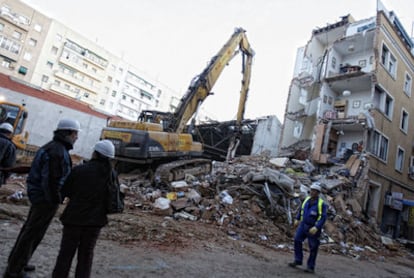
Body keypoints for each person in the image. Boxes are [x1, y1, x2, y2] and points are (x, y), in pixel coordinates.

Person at [4, 118, 81, 278]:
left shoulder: (52, 148)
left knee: (31, 232)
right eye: (75, 134)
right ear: (68, 133)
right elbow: (52, 180)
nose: (76, 137)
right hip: (45, 200)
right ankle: (14, 270)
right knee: (32, 233)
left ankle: (19, 262)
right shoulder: (57, 152)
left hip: (41, 197)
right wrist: (55, 199)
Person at [52, 140, 117, 278]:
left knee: (65, 254)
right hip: (95, 222)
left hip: (73, 218)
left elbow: (65, 191)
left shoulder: (80, 170)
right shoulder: (111, 175)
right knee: (86, 256)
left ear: (95, 153)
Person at [288, 182, 327, 274]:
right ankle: (298, 260)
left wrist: (317, 227)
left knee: (313, 247)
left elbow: (323, 217)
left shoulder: (321, 204)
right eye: (312, 190)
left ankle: (311, 266)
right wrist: (297, 219)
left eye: (315, 191)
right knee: (297, 240)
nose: (312, 192)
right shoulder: (306, 200)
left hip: (313, 228)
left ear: (318, 193)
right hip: (303, 225)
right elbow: (301, 210)